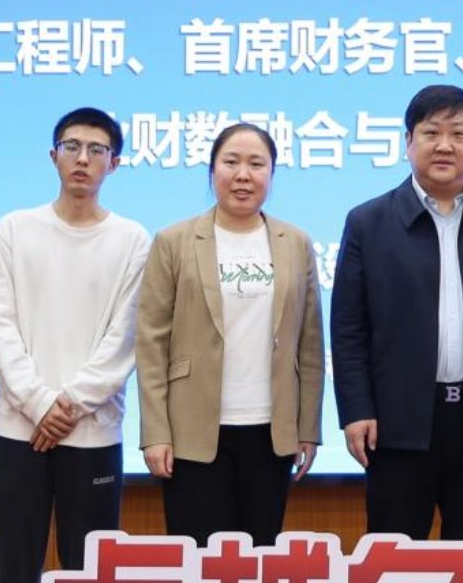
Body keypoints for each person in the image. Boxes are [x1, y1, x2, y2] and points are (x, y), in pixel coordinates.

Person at [0, 108, 151, 583]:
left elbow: (125, 336)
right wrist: (40, 402)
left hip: (92, 433)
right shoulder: (15, 231)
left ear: (115, 163)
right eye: (71, 146)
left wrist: (70, 403)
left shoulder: (132, 239)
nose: (83, 158)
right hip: (19, 431)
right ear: (52, 156)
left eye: (97, 149)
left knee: (91, 579)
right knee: (13, 576)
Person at [331, 84, 463, 540]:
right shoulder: (368, 222)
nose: (444, 145)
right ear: (408, 142)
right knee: (393, 555)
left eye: (458, 134)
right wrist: (356, 410)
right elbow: (349, 329)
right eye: (431, 133)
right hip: (397, 421)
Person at [137, 122, 323, 544]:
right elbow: (151, 344)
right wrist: (156, 433)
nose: (243, 175)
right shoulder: (174, 240)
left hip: (271, 431)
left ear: (271, 174)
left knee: (259, 558)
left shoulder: (295, 242)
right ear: (212, 170)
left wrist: (307, 427)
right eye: (231, 162)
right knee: (200, 559)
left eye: (257, 164)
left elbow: (310, 343)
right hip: (193, 431)